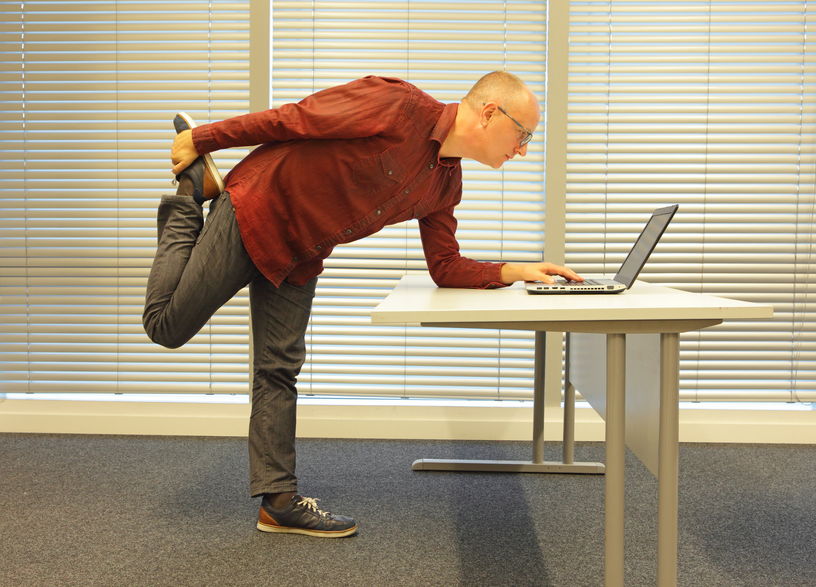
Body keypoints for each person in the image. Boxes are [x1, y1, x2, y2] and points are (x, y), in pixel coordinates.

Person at [142, 71, 583, 539]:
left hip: (301, 253)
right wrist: (202, 138)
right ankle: (190, 194)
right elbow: (295, 119)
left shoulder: (445, 186)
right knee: (166, 327)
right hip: (258, 208)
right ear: (491, 113)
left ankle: (279, 503)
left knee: (279, 369)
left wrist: (515, 270)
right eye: (523, 134)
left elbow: (445, 266)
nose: (523, 150)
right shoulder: (398, 104)